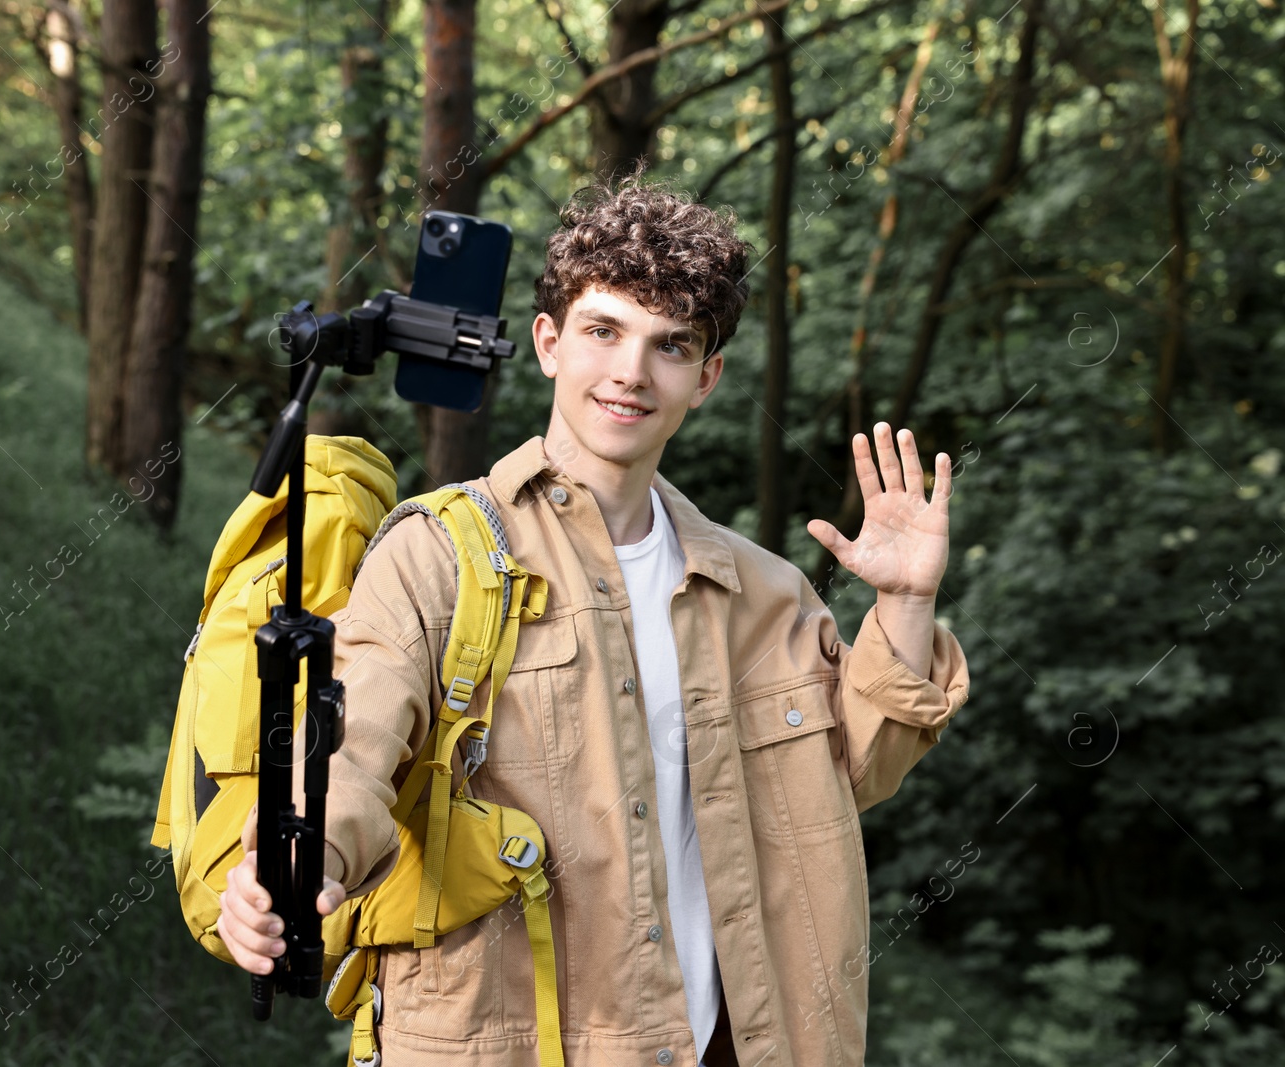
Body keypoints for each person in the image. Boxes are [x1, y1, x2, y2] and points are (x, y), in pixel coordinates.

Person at [219, 169, 971, 1067]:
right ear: (548, 341)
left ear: (707, 377)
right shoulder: (437, 555)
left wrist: (907, 602)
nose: (630, 371)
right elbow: (349, 748)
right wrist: (293, 872)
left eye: (670, 345)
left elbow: (854, 774)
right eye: (603, 330)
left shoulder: (764, 594)